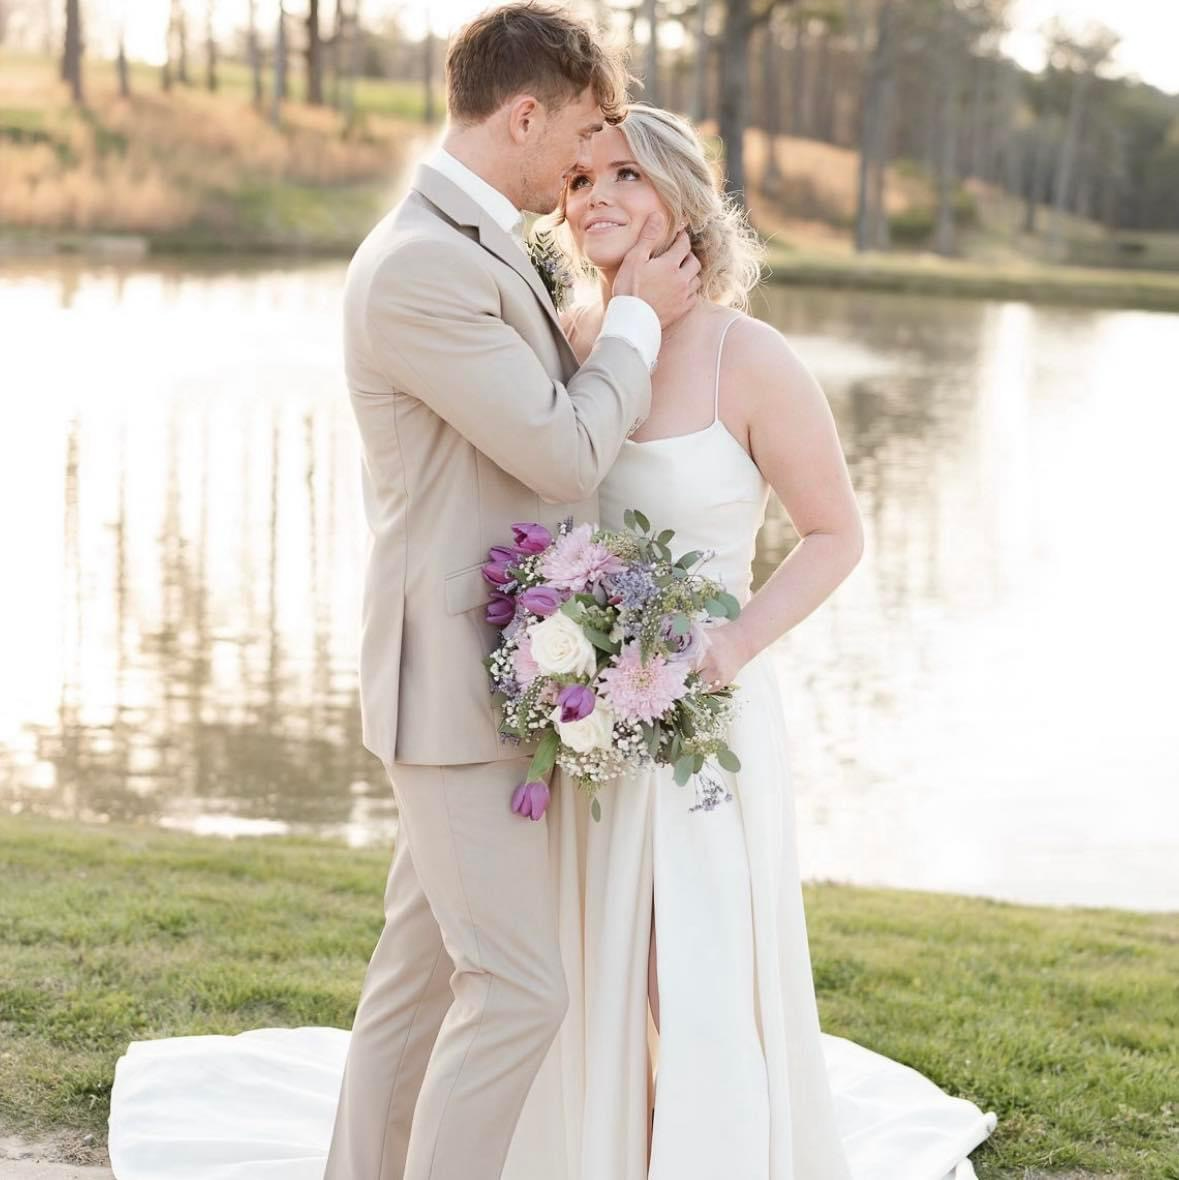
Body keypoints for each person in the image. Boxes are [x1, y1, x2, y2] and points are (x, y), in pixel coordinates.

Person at [107, 7, 699, 1180]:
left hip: (490, 676)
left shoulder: (478, 245)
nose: (583, 166)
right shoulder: (423, 261)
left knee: (418, 979)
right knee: (522, 986)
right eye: (578, 137)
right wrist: (637, 319)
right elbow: (561, 452)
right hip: (450, 688)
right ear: (523, 114)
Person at [497, 104, 998, 1180]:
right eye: (580, 181)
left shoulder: (748, 356)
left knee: (699, 967)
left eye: (626, 174)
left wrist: (727, 649)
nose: (598, 200)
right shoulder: (576, 344)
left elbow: (836, 534)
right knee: (599, 967)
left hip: (700, 716)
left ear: (682, 197)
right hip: (584, 719)